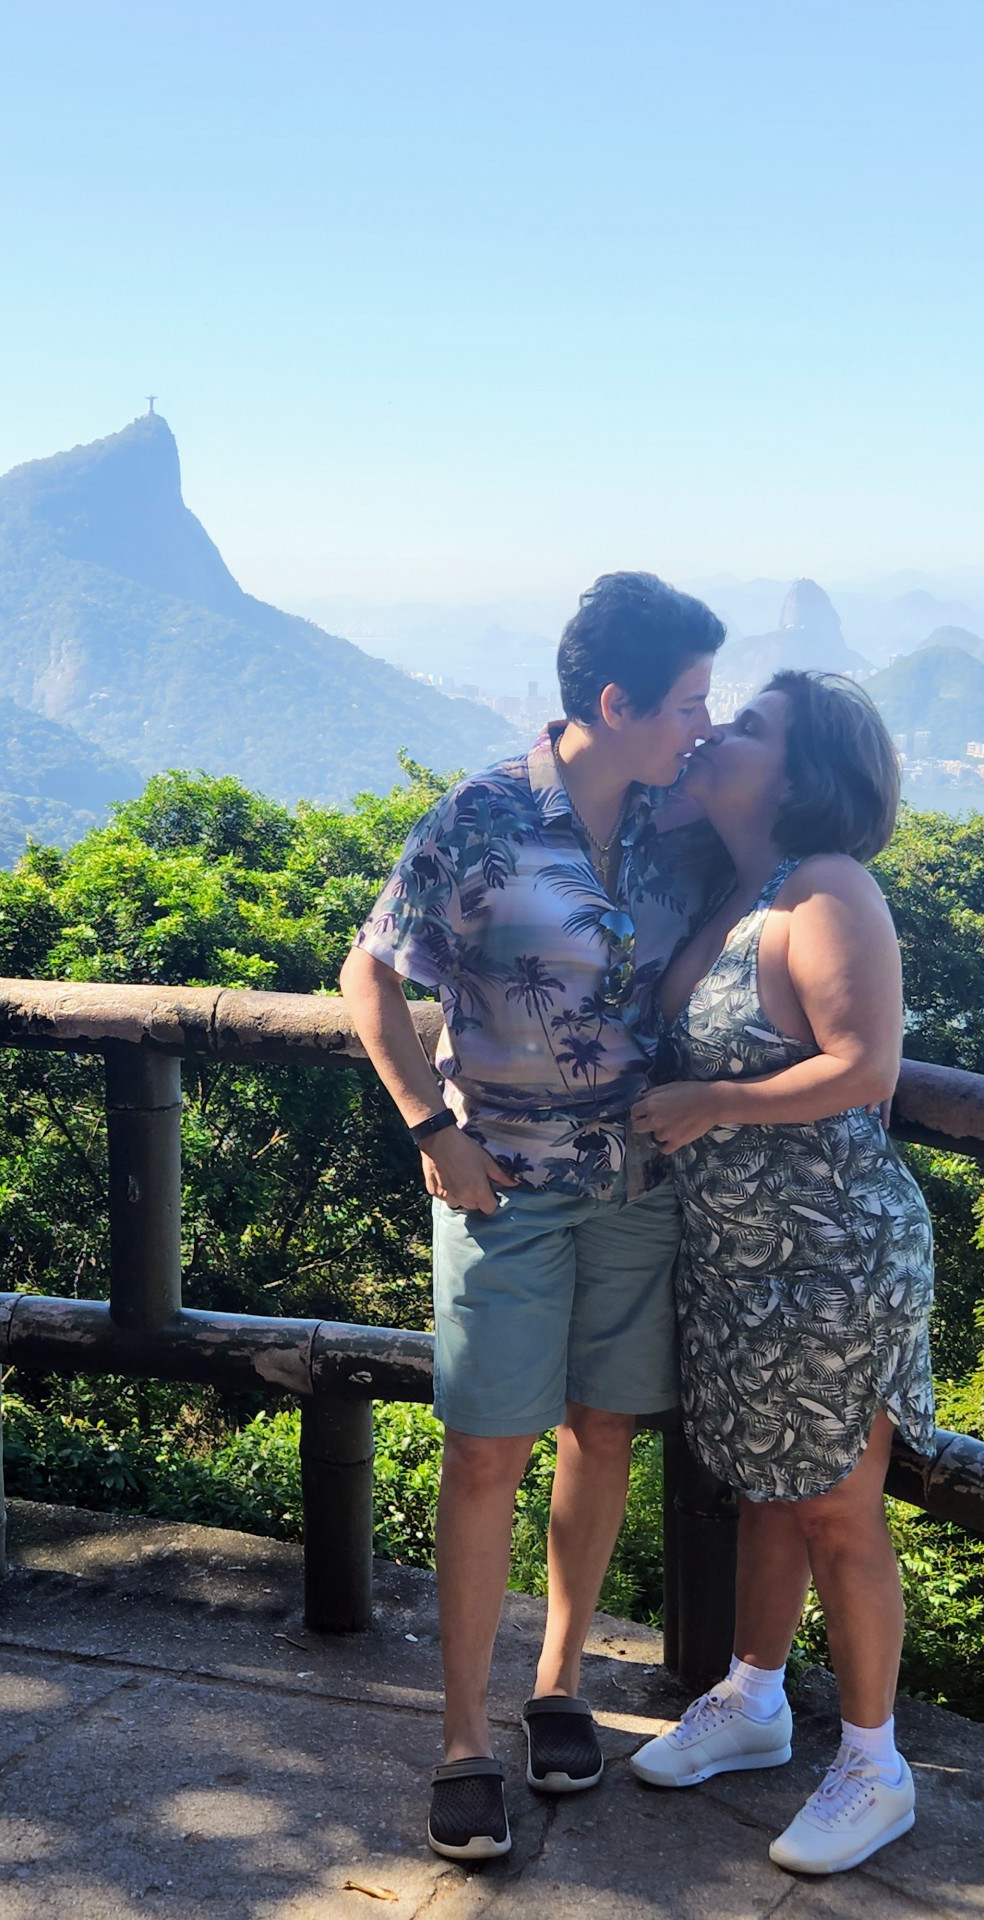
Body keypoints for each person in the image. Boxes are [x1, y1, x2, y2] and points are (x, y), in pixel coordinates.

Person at [339, 572, 729, 1859]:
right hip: (500, 1181)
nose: (703, 725)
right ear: (615, 704)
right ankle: (462, 1741)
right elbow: (369, 975)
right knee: (485, 1451)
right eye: (688, 703)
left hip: (638, 1182)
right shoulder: (482, 818)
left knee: (602, 1427)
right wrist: (428, 1126)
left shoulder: (681, 821)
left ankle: (558, 1683)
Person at [629, 671, 936, 1877]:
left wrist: (713, 1099)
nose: (716, 731)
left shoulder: (828, 888)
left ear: (801, 776)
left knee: (837, 1507)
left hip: (831, 1253)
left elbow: (865, 1068)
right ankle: (754, 1701)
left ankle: (875, 1765)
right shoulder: (737, 890)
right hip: (737, 1254)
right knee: (764, 1486)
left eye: (747, 726)